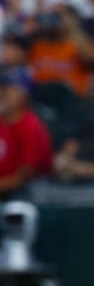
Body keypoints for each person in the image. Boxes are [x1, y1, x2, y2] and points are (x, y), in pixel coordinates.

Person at [0, 68, 54, 198]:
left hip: (28, 193)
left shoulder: (30, 126)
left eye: (11, 89)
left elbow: (26, 175)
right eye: (3, 89)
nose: (3, 94)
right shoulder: (3, 121)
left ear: (25, 94)